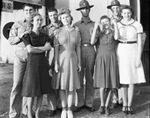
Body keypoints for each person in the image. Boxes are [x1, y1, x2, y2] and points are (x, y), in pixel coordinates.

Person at [21, 13, 52, 118]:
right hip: (32, 65)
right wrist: (43, 48)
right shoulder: (27, 35)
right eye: (37, 20)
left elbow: (48, 48)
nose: (39, 22)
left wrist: (36, 48)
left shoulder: (45, 36)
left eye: (40, 20)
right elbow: (30, 49)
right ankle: (29, 113)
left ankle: (37, 113)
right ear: (32, 22)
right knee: (32, 90)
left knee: (41, 90)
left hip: (43, 64)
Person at [117, 5, 146, 115]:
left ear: (131, 13)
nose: (126, 15)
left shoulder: (137, 24)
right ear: (121, 14)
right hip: (121, 51)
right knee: (123, 79)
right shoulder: (118, 24)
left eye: (128, 13)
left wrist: (138, 57)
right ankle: (124, 104)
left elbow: (140, 42)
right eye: (124, 13)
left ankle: (130, 104)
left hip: (133, 50)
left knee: (131, 79)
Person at [8, 4, 35, 118]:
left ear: (34, 11)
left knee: (29, 86)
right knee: (17, 85)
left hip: (33, 58)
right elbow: (11, 40)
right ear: (24, 12)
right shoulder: (17, 24)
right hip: (20, 58)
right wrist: (20, 37)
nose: (29, 12)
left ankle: (26, 111)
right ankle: (13, 114)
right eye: (26, 10)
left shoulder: (38, 23)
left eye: (31, 10)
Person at [54, 8, 81, 118]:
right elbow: (56, 49)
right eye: (63, 17)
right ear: (60, 18)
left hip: (73, 60)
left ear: (70, 18)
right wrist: (56, 63)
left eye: (67, 17)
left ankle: (70, 109)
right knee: (62, 86)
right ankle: (63, 109)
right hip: (62, 60)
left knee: (71, 86)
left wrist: (79, 62)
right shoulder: (58, 31)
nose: (65, 19)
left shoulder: (76, 30)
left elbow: (78, 47)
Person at [73, 0, 99, 112]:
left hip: (90, 49)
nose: (85, 10)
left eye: (87, 8)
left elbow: (97, 41)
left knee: (89, 77)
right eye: (83, 9)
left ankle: (89, 103)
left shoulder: (95, 24)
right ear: (80, 11)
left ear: (89, 10)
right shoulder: (75, 25)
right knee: (79, 77)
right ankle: (79, 103)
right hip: (78, 50)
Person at [91, 15, 119, 116]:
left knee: (110, 85)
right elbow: (91, 42)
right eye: (103, 22)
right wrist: (95, 28)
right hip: (101, 59)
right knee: (102, 85)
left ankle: (107, 106)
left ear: (109, 22)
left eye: (107, 22)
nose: (105, 24)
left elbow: (116, 37)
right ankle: (102, 105)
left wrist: (115, 24)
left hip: (111, 59)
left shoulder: (113, 32)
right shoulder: (99, 34)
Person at [43, 7, 62, 117]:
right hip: (50, 54)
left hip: (62, 54)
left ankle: (60, 105)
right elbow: (44, 42)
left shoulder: (63, 25)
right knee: (50, 82)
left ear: (57, 15)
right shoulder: (45, 29)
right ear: (48, 17)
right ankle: (52, 107)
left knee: (61, 80)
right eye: (51, 15)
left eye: (55, 15)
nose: (53, 17)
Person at [107, 0, 123, 108]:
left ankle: (122, 98)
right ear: (111, 10)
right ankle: (114, 98)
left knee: (122, 73)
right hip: (113, 48)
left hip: (123, 47)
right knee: (113, 73)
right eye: (114, 9)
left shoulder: (125, 19)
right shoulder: (109, 21)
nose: (116, 10)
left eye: (117, 8)